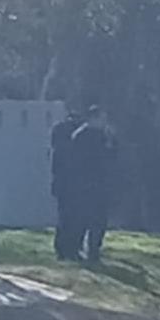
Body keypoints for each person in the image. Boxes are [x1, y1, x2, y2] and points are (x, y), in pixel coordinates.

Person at [70, 105, 117, 264]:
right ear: (93, 118)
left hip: (101, 184)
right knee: (83, 219)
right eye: (102, 119)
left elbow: (111, 157)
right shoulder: (82, 136)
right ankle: (77, 249)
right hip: (86, 184)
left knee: (99, 220)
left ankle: (94, 251)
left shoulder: (102, 136)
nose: (104, 122)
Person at [50, 112, 82, 260]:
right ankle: (70, 249)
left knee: (64, 216)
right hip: (72, 183)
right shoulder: (76, 135)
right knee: (73, 217)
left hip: (62, 183)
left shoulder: (58, 137)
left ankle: (63, 249)